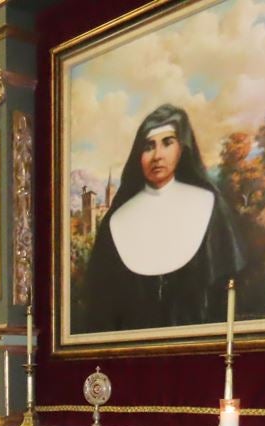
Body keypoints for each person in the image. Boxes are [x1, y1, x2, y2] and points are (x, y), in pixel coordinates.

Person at [81, 103, 245, 333]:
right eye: (149, 146)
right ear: (139, 154)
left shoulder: (210, 205)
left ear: (182, 148)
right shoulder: (116, 221)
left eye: (167, 143)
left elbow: (228, 292)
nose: (157, 155)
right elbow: (101, 310)